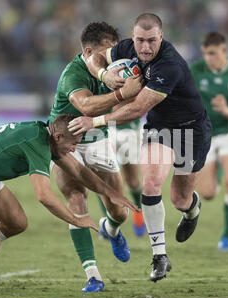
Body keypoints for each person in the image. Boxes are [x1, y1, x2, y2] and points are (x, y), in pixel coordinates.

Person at [68, 13, 212, 282]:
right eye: (140, 40)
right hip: (160, 129)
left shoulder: (169, 65)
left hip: (191, 130)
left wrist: (95, 120)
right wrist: (104, 75)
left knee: (180, 199)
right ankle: (160, 256)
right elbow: (94, 57)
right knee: (150, 183)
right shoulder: (126, 48)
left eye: (151, 41)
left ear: (162, 37)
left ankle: (192, 209)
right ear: (133, 38)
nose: (145, 48)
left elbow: (138, 107)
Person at [0, 114, 137, 292]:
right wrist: (76, 219)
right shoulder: (38, 144)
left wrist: (111, 193)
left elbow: (79, 171)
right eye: (73, 143)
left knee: (17, 223)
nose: (75, 148)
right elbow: (44, 196)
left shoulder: (45, 137)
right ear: (58, 137)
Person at [48, 22, 143, 292]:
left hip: (99, 141)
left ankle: (110, 229)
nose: (109, 59)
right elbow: (85, 105)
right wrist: (122, 93)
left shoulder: (119, 67)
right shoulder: (72, 74)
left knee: (119, 211)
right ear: (89, 51)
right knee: (76, 200)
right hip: (65, 145)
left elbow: (128, 105)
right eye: (104, 53)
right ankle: (93, 276)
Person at [190, 32, 228, 251]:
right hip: (204, 136)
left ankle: (226, 236)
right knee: (206, 194)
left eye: (213, 53)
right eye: (206, 53)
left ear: (224, 51)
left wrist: (227, 110)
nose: (208, 58)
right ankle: (215, 170)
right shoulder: (195, 71)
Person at [99, 117, 146, 237]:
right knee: (101, 176)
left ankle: (138, 209)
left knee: (133, 182)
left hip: (129, 127)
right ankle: (109, 221)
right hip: (104, 126)